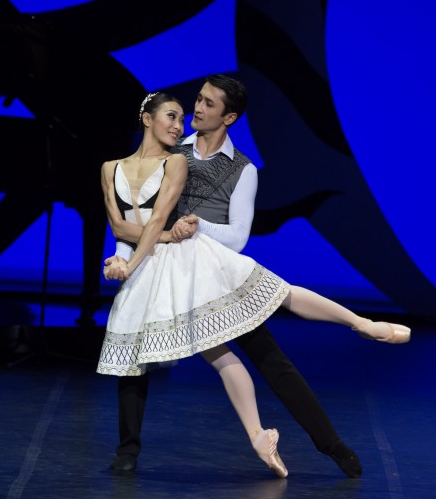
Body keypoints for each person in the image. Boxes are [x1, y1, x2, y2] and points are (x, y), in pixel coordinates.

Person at [99, 76, 411, 475]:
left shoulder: (242, 169)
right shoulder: (172, 152)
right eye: (198, 100)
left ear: (229, 117)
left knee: (273, 344)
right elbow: (141, 219)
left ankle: (334, 428)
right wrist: (124, 254)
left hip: (213, 268)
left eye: (208, 104)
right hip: (170, 270)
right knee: (189, 355)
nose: (196, 110)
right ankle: (142, 448)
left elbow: (238, 237)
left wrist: (197, 226)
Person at [97, 90, 289, 477]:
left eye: (181, 119)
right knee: (132, 359)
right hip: (141, 261)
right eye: (171, 116)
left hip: (171, 262)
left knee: (221, 343)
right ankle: (127, 449)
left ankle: (257, 433)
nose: (178, 125)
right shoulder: (110, 167)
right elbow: (120, 225)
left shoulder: (175, 162)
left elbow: (157, 220)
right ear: (147, 118)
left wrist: (138, 256)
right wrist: (121, 255)